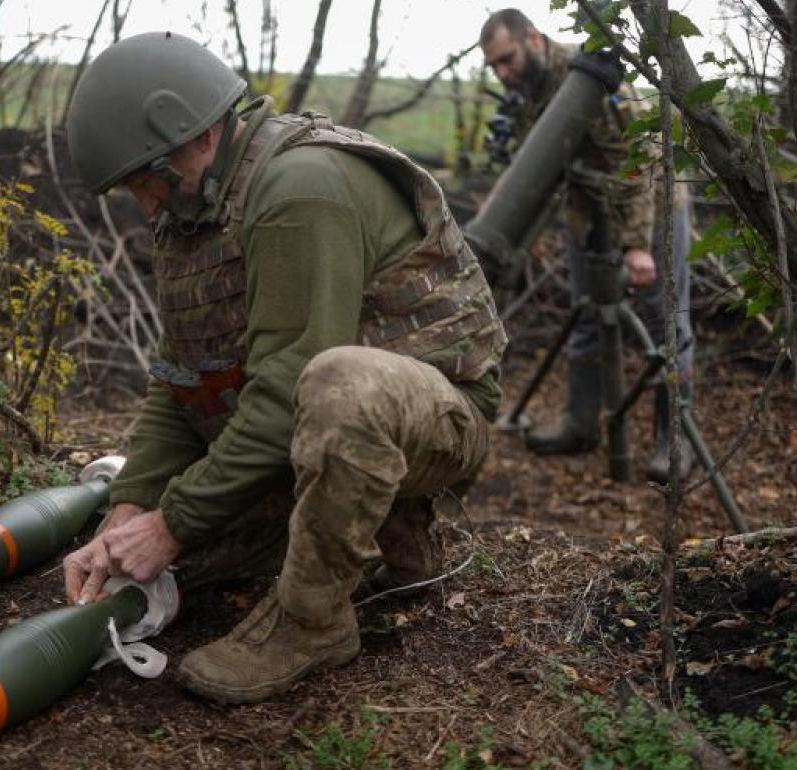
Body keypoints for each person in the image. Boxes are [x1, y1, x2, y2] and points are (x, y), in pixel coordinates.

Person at [60, 31, 507, 704]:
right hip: (313, 418)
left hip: (431, 417)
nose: (145, 204)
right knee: (191, 567)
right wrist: (131, 510)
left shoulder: (300, 189)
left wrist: (172, 521)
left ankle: (313, 622)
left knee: (338, 385)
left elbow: (288, 385)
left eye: (145, 182)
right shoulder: (194, 209)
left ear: (193, 137)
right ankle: (379, 540)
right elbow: (184, 381)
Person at [478, 9, 696, 482]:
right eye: (494, 66)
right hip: (587, 209)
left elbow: (638, 158)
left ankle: (675, 442)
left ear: (532, 38)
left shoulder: (587, 77)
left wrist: (637, 244)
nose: (502, 72)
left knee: (664, 323)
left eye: (507, 59)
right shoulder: (526, 91)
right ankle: (580, 425)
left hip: (649, 203)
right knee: (586, 313)